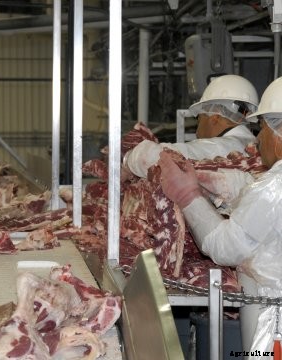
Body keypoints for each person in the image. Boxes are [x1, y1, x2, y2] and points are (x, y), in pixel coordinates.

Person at [159, 76, 282, 359]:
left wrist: (188, 196)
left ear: (277, 136)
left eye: (262, 128)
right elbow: (266, 210)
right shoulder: (270, 186)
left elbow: (224, 246)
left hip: (274, 321)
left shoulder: (273, 186)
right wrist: (223, 186)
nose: (258, 136)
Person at [123, 74, 259, 178]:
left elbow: (151, 157)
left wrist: (127, 160)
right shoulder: (252, 144)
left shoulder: (223, 147)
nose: (197, 124)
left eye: (199, 117)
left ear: (214, 118)